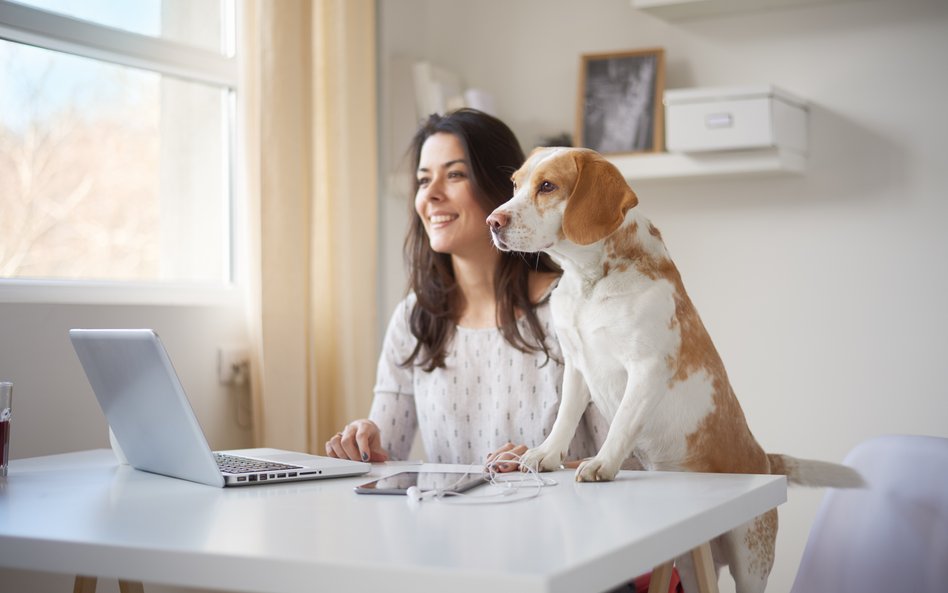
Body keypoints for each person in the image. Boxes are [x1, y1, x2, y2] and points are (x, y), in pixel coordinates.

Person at [324, 108, 616, 470]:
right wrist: (365, 440)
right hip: (448, 525)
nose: (430, 195)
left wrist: (543, 462)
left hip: (562, 523)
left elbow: (627, 463)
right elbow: (387, 455)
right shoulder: (414, 318)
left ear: (502, 190)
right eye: (423, 179)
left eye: (455, 175)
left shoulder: (576, 309)